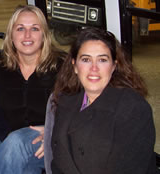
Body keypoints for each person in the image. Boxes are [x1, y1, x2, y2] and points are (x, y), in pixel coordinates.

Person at [44, 27, 157, 174]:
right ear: (75, 66)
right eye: (86, 60)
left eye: (102, 60)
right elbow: (58, 162)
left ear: (114, 66)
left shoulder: (134, 109)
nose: (94, 68)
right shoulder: (64, 100)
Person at [0, 5, 66, 174]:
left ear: (44, 35)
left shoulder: (61, 66)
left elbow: (74, 108)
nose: (27, 35)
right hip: (7, 137)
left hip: (50, 138)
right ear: (11, 35)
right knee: (20, 158)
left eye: (34, 28)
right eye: (20, 28)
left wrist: (51, 132)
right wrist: (10, 138)